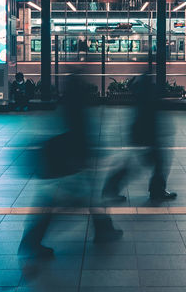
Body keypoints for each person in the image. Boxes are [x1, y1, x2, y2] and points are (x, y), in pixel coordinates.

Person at [19, 76, 121, 257]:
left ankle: (103, 228)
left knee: (82, 197)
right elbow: (80, 127)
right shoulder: (76, 95)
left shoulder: (69, 95)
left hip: (72, 155)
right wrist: (87, 153)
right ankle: (31, 241)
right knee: (65, 200)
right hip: (73, 157)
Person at [102, 76, 176, 204]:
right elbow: (150, 110)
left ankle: (111, 190)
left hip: (142, 133)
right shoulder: (146, 86)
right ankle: (155, 191)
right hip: (146, 133)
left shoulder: (142, 86)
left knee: (144, 164)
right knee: (152, 163)